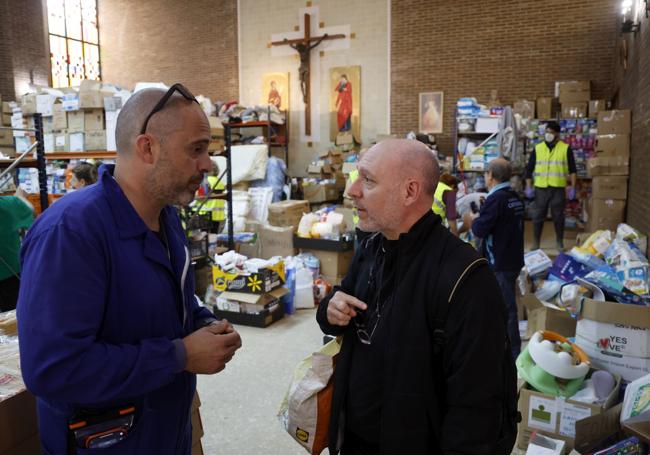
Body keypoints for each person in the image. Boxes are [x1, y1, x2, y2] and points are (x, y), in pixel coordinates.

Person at [17, 84, 242, 454]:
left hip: (165, 430)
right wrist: (180, 355)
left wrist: (202, 322)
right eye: (196, 149)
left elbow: (164, 305)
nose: (208, 164)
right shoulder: (71, 233)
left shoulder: (166, 217)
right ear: (148, 148)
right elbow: (53, 370)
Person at [316, 139, 517, 454]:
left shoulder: (466, 279)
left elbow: (476, 411)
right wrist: (330, 309)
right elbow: (338, 312)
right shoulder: (370, 249)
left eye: (367, 180)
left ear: (409, 191)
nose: (352, 190)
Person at [463, 158, 525, 358]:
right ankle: (498, 345)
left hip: (500, 261)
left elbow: (480, 230)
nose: (485, 177)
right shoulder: (514, 196)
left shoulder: (496, 199)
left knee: (506, 309)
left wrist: (472, 221)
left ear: (491, 175)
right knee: (498, 304)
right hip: (513, 258)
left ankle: (513, 354)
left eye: (486, 173)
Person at [525, 121, 577, 251]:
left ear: (557, 134)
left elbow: (572, 170)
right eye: (547, 132)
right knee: (538, 216)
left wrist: (573, 187)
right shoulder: (538, 148)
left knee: (558, 216)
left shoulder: (565, 148)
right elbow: (529, 169)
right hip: (541, 188)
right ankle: (536, 242)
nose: (549, 134)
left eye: (552, 132)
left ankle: (559, 242)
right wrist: (528, 186)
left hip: (557, 188)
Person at [0, 187, 34, 312]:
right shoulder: (8, 204)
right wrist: (19, 196)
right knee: (14, 318)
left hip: (9, 272)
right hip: (10, 273)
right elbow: (28, 208)